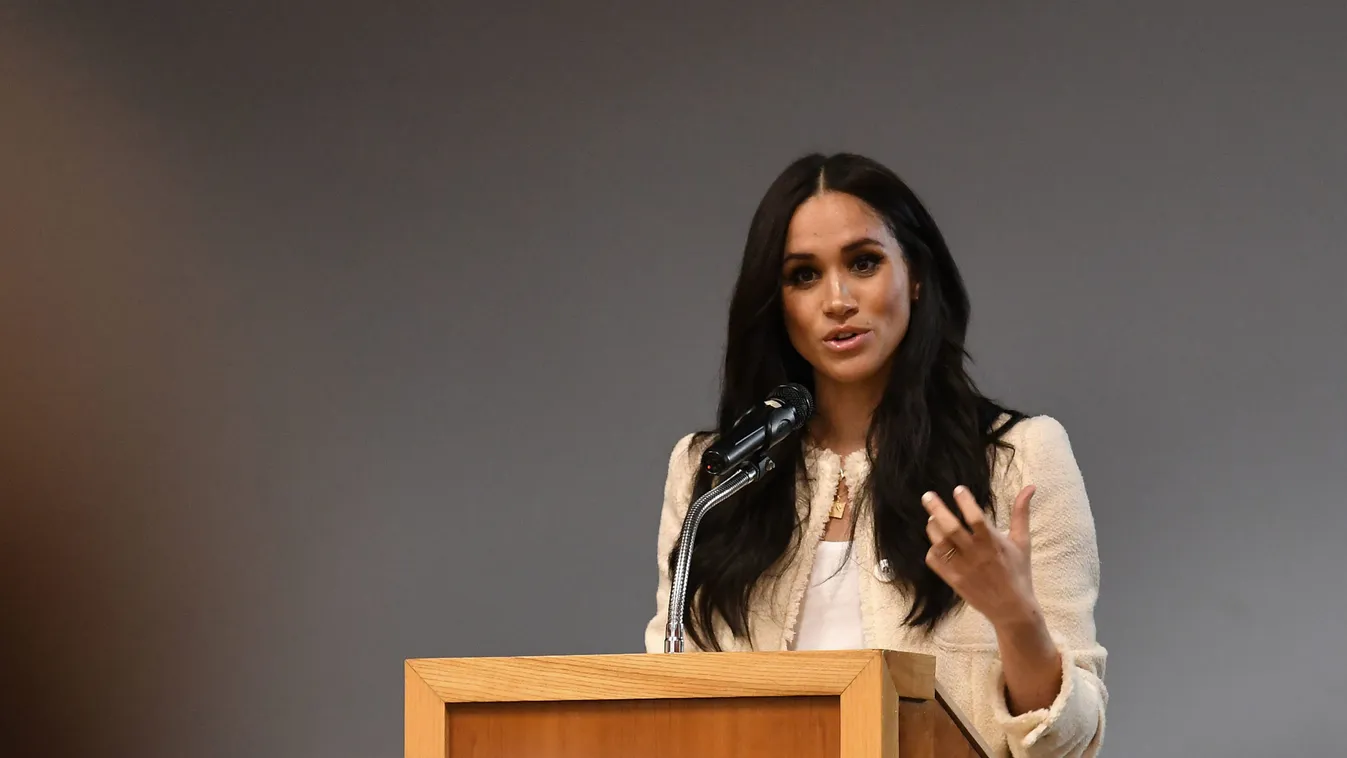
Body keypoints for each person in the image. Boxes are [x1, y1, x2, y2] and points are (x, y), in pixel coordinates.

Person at [643, 153, 1107, 757]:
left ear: (914, 275)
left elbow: (1071, 744)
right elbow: (660, 701)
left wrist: (1014, 617)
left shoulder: (1020, 458)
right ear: (776, 303)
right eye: (803, 276)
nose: (837, 300)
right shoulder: (713, 471)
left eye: (863, 263)